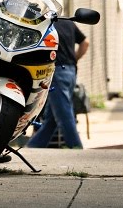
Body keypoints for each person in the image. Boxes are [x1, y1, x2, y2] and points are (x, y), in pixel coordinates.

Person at [26, 19, 89, 149]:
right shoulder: (69, 23)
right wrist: (74, 58)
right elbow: (85, 42)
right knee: (51, 119)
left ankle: (76, 147)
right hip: (71, 71)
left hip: (57, 73)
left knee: (64, 114)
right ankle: (33, 147)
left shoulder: (45, 24)